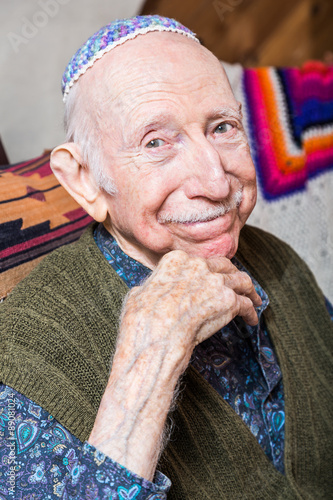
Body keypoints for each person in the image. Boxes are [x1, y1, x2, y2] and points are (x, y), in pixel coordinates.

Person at [0, 15, 332, 499]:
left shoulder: (274, 257)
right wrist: (152, 354)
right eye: (156, 142)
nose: (218, 183)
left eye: (223, 127)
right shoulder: (22, 350)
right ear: (85, 181)